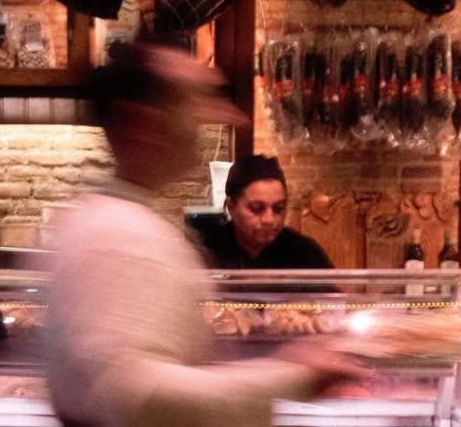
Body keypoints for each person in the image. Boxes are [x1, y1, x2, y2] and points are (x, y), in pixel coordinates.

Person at [45, 42, 363, 427]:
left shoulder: (118, 222)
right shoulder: (119, 237)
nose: (218, 117)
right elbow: (138, 397)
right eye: (191, 101)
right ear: (141, 123)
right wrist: (295, 375)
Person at [203, 155, 334, 269]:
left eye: (278, 208)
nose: (269, 219)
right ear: (231, 207)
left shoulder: (305, 252)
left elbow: (332, 296)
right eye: (256, 208)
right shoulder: (207, 253)